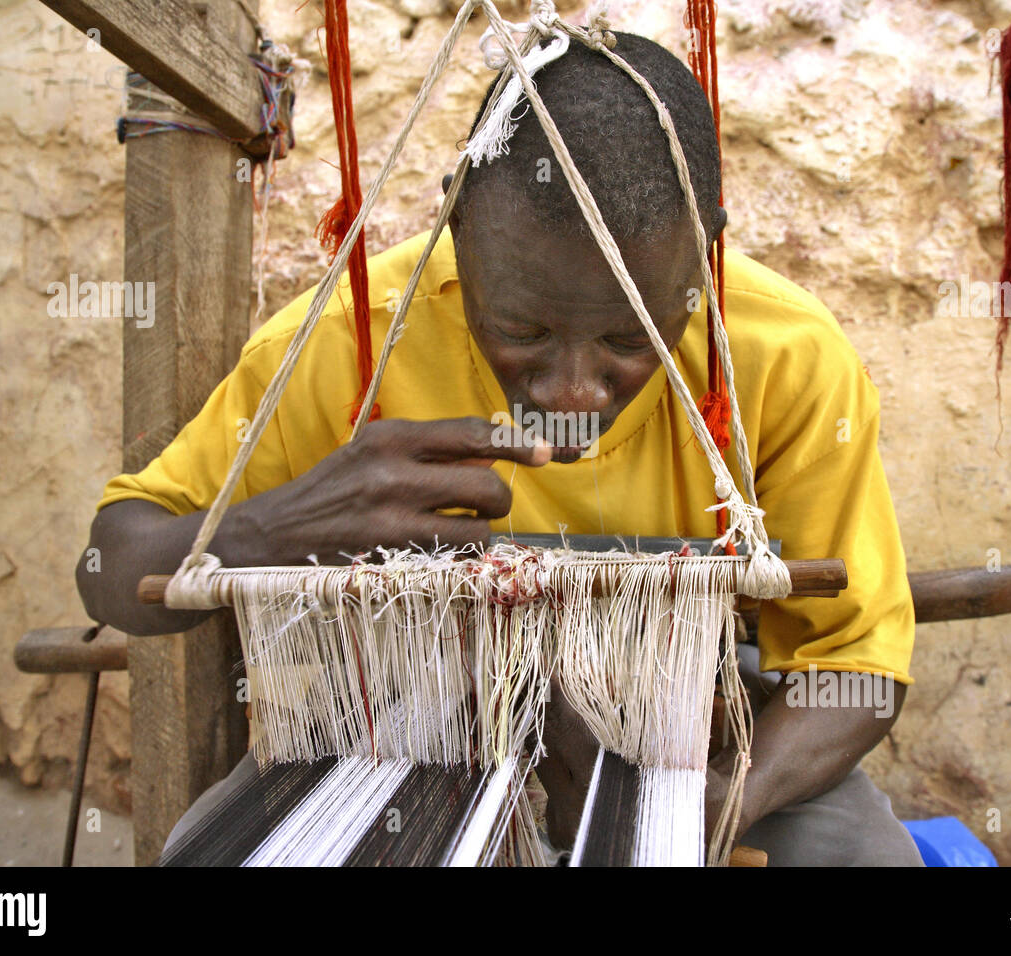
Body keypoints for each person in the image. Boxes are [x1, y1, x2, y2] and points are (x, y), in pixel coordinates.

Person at [77, 31, 921, 865]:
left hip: (694, 739)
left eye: (632, 340)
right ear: (458, 222)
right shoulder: (351, 345)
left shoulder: (786, 357)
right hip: (413, 735)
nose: (571, 394)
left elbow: (852, 664)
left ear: (705, 256)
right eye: (521, 329)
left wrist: (725, 799)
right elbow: (107, 565)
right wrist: (264, 532)